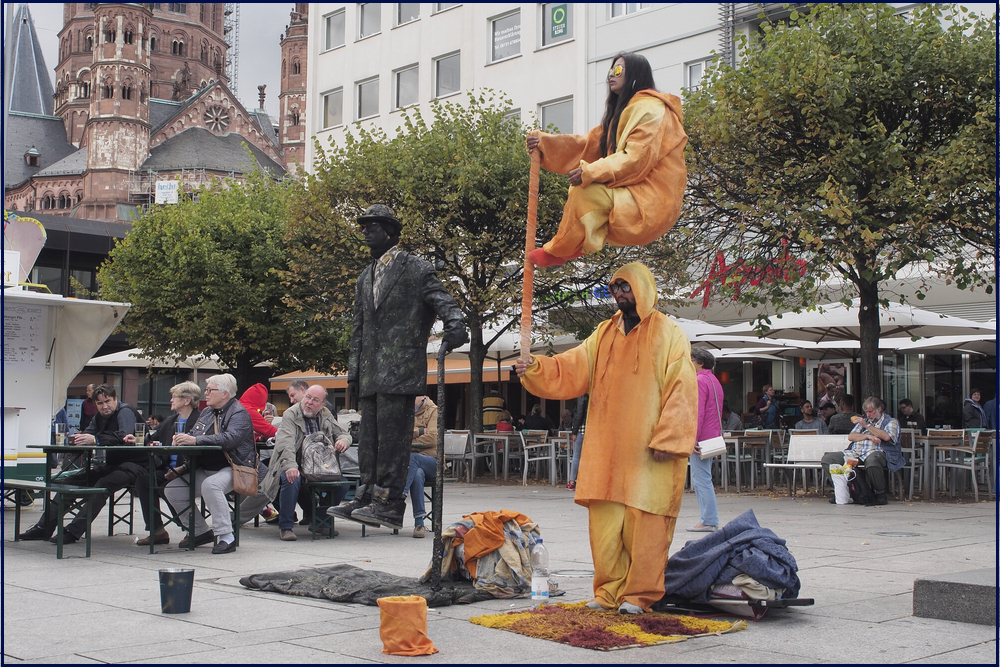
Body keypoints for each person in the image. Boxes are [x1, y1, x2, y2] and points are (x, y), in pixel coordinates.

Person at [515, 262, 697, 615]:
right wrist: (536, 367)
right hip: (607, 451)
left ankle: (639, 594)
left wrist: (670, 438)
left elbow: (683, 387)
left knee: (646, 526)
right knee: (606, 527)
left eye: (625, 287)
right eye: (615, 287)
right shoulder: (604, 332)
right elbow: (573, 366)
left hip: (650, 453)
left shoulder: (669, 332)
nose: (619, 293)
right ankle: (608, 592)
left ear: (642, 288)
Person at [328, 204, 467, 530]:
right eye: (362, 226)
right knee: (370, 440)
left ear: (389, 231)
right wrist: (354, 373)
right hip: (372, 374)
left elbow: (444, 301)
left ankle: (388, 503)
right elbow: (359, 329)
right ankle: (365, 496)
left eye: (371, 226)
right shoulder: (365, 277)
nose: (364, 231)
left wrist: (456, 326)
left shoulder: (415, 269)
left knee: (392, 442)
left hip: (401, 371)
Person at [524, 52, 687, 267]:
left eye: (618, 70)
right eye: (611, 70)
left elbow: (636, 159)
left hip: (652, 204)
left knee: (587, 192)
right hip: (635, 197)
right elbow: (587, 145)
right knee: (582, 189)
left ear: (636, 75)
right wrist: (544, 145)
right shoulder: (623, 114)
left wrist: (590, 172)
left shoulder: (652, 110)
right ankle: (575, 245)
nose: (612, 75)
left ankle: (562, 249)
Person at [19, 384, 144, 544]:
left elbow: (124, 436)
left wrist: (95, 439)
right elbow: (89, 432)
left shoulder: (125, 411)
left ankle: (73, 531)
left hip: (136, 465)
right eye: (100, 403)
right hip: (113, 465)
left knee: (102, 485)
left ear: (115, 399)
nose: (105, 406)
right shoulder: (100, 416)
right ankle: (43, 528)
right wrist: (79, 438)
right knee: (70, 481)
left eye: (107, 401)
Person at [163, 374, 256, 554]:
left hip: (234, 468)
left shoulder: (239, 412)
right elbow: (193, 434)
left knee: (211, 486)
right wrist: (181, 442)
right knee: (173, 490)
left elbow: (230, 439)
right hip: (206, 468)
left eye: (209, 390)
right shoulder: (207, 412)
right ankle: (200, 531)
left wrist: (195, 440)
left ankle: (226, 536)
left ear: (224, 394)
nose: (205, 393)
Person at [246, 385, 351, 541]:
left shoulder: (325, 414)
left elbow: (343, 433)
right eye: (308, 397)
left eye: (315, 400)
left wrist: (343, 441)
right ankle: (286, 526)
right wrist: (291, 466)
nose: (309, 402)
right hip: (293, 462)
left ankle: (320, 522)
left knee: (343, 484)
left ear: (322, 404)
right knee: (291, 478)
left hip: (319, 466)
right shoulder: (291, 414)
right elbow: (285, 444)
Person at [135, 382, 202, 546]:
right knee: (144, 481)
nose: (171, 400)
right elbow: (153, 438)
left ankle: (191, 529)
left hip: (190, 470)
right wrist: (138, 439)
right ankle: (157, 531)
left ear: (186, 400)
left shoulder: (201, 421)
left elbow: (203, 452)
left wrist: (182, 468)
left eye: (174, 397)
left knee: (168, 487)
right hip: (167, 469)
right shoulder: (170, 421)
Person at [820, 397, 902, 507]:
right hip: (856, 453)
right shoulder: (864, 421)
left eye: (871, 412)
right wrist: (867, 435)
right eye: (866, 412)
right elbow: (851, 437)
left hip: (877, 452)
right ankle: (844, 490)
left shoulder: (891, 422)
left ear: (879, 409)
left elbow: (887, 437)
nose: (868, 415)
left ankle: (880, 494)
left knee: (872, 461)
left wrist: (867, 426)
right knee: (828, 459)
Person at [687, 348, 723, 533]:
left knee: (701, 479)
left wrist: (692, 438)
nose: (689, 363)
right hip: (713, 434)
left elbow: (697, 411)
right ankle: (708, 518)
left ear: (699, 363)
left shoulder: (699, 380)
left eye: (691, 360)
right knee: (704, 478)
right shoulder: (714, 380)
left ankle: (708, 519)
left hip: (702, 436)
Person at [404, 395, 439, 538]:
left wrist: (409, 440)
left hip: (433, 461)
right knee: (417, 473)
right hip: (413, 465)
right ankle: (419, 522)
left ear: (422, 396)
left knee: (413, 458)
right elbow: (399, 434)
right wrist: (420, 431)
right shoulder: (404, 411)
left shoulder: (433, 411)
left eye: (413, 396)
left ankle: (400, 497)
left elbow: (433, 438)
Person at [567, 394, 589, 491]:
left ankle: (572, 481)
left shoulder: (581, 396)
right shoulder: (593, 395)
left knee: (576, 455)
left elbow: (579, 414)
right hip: (590, 429)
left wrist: (574, 431)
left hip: (581, 430)